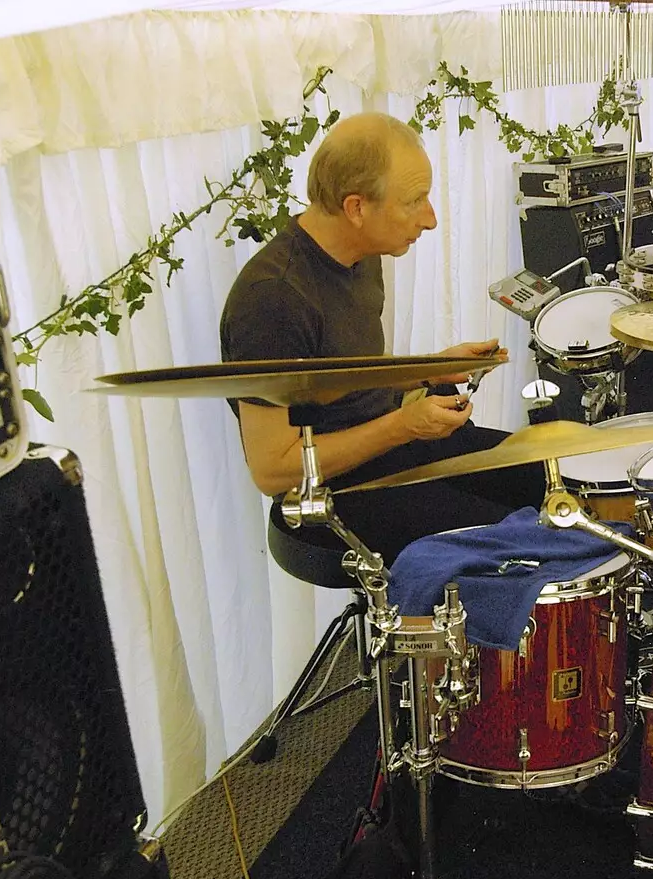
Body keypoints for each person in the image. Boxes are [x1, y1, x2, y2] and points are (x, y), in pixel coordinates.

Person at [220, 113, 544, 563]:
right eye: (415, 201)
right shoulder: (273, 300)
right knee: (523, 541)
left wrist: (430, 366)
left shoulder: (361, 255)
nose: (430, 220)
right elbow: (273, 470)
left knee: (549, 477)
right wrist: (403, 425)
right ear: (356, 208)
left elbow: (339, 378)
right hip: (335, 491)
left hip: (392, 449)